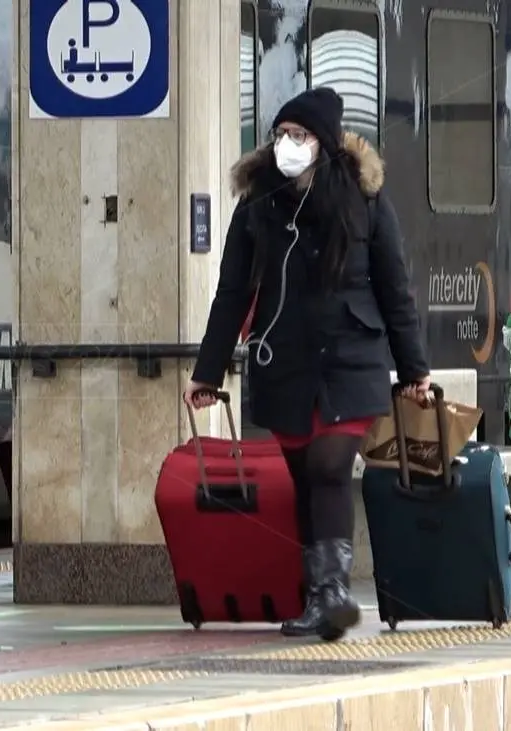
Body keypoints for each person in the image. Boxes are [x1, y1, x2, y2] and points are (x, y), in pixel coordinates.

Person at [184, 87, 431, 641]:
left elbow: (396, 289)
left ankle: (332, 593)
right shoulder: (257, 201)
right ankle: (317, 591)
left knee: (328, 467)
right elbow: (232, 292)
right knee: (304, 478)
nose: (288, 145)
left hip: (350, 357)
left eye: (300, 136)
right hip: (285, 360)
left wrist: (414, 370)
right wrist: (208, 369)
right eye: (281, 135)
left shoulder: (365, 199)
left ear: (324, 142)